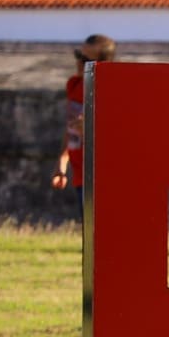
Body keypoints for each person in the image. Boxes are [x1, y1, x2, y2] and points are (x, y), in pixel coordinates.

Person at [51, 34, 116, 216]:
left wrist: (89, 129)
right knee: (90, 236)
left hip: (103, 177)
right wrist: (62, 161)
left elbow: (118, 138)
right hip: (81, 176)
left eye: (86, 59)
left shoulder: (111, 91)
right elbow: (71, 128)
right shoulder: (74, 85)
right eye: (79, 55)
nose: (79, 62)